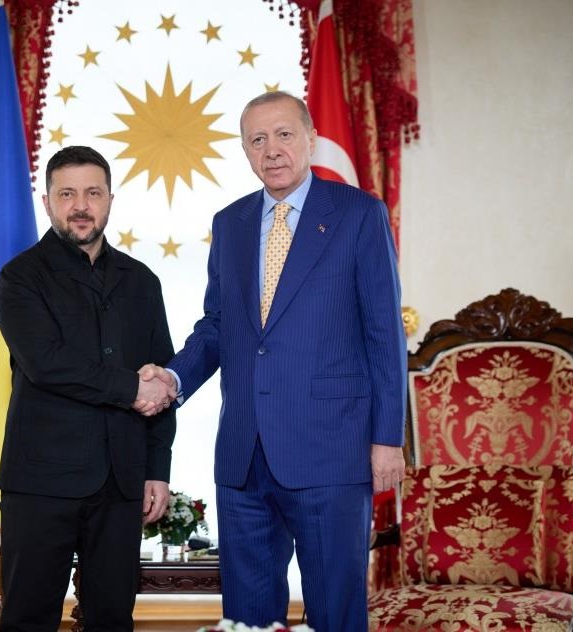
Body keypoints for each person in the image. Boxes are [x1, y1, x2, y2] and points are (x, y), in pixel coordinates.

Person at [141, 92, 407, 631]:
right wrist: (172, 377)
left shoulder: (359, 214)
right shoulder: (231, 223)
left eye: (284, 134)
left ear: (311, 138)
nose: (272, 150)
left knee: (335, 615)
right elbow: (218, 325)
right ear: (245, 151)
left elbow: (384, 335)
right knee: (247, 620)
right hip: (244, 455)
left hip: (331, 450)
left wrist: (387, 439)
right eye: (257, 140)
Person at [0, 145, 178, 631]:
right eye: (67, 194)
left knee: (113, 619)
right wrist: (131, 388)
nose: (81, 205)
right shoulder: (20, 278)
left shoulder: (142, 281)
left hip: (122, 481)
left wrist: (157, 469)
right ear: (47, 202)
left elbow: (163, 379)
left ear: (110, 200)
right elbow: (47, 364)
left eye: (93, 193)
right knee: (29, 619)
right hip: (41, 482)